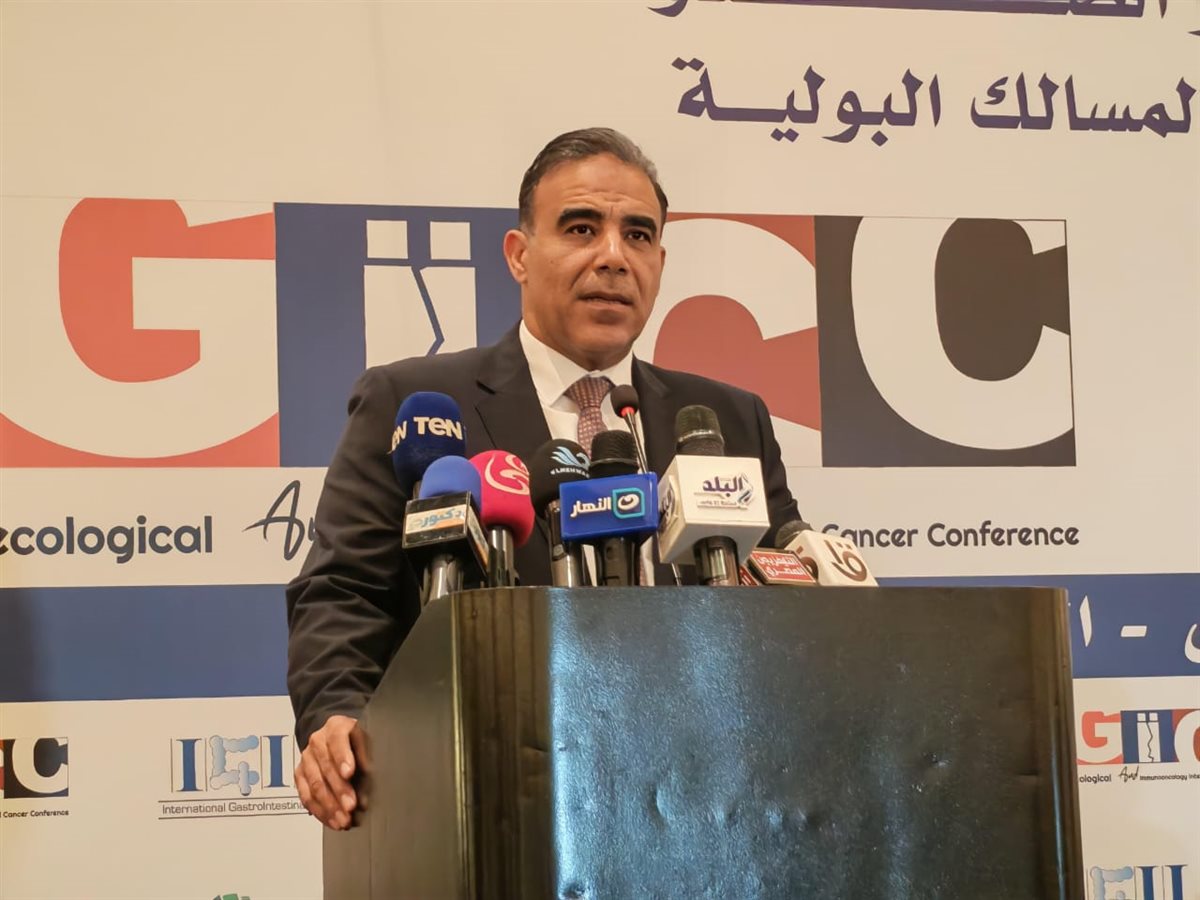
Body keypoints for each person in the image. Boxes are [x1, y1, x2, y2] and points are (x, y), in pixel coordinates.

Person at [286, 127, 802, 829]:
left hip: (706, 803)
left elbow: (785, 586)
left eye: (638, 235)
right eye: (581, 228)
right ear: (519, 255)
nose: (613, 257)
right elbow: (344, 590)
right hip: (494, 799)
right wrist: (337, 712)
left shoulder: (727, 421)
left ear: (660, 261)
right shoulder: (415, 403)